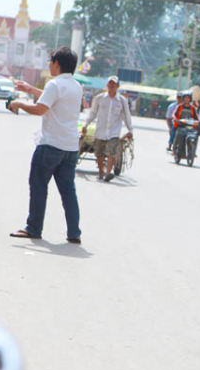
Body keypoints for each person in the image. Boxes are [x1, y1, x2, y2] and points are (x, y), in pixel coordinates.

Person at [8, 47, 83, 243]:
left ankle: (33, 228)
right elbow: (55, 98)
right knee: (68, 191)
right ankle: (74, 232)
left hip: (50, 145)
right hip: (70, 148)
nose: (49, 65)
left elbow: (41, 108)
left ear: (57, 63)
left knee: (39, 186)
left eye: (50, 61)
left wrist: (19, 104)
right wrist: (30, 89)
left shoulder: (55, 84)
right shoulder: (76, 86)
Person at [82, 76, 133, 182]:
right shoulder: (99, 98)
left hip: (114, 132)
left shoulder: (122, 101)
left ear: (117, 86)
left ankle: (108, 173)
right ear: (107, 85)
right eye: (109, 83)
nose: (111, 86)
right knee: (99, 153)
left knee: (111, 152)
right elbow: (93, 113)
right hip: (100, 131)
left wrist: (130, 130)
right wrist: (86, 124)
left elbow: (126, 116)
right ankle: (101, 171)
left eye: (113, 84)